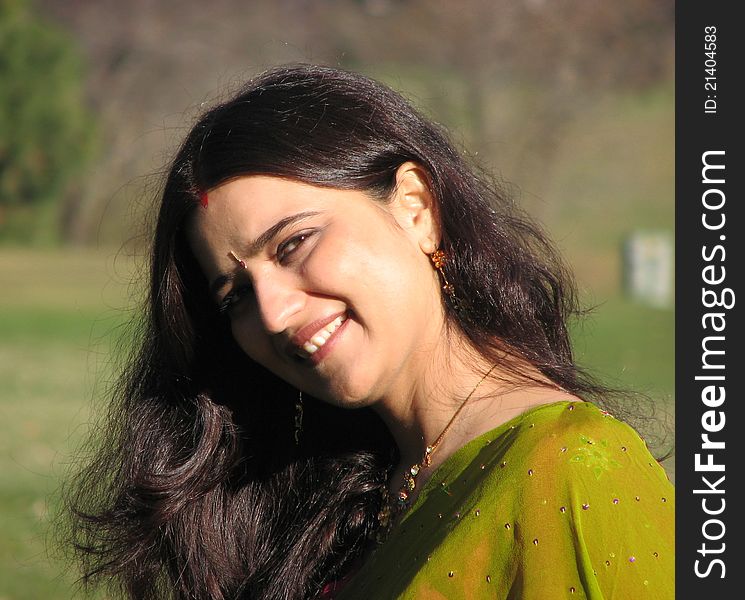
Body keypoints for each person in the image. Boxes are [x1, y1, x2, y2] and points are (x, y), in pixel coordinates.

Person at [67, 64, 674, 599]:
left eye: (294, 243)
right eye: (236, 296)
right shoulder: (352, 491)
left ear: (416, 208)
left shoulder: (574, 470)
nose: (273, 314)